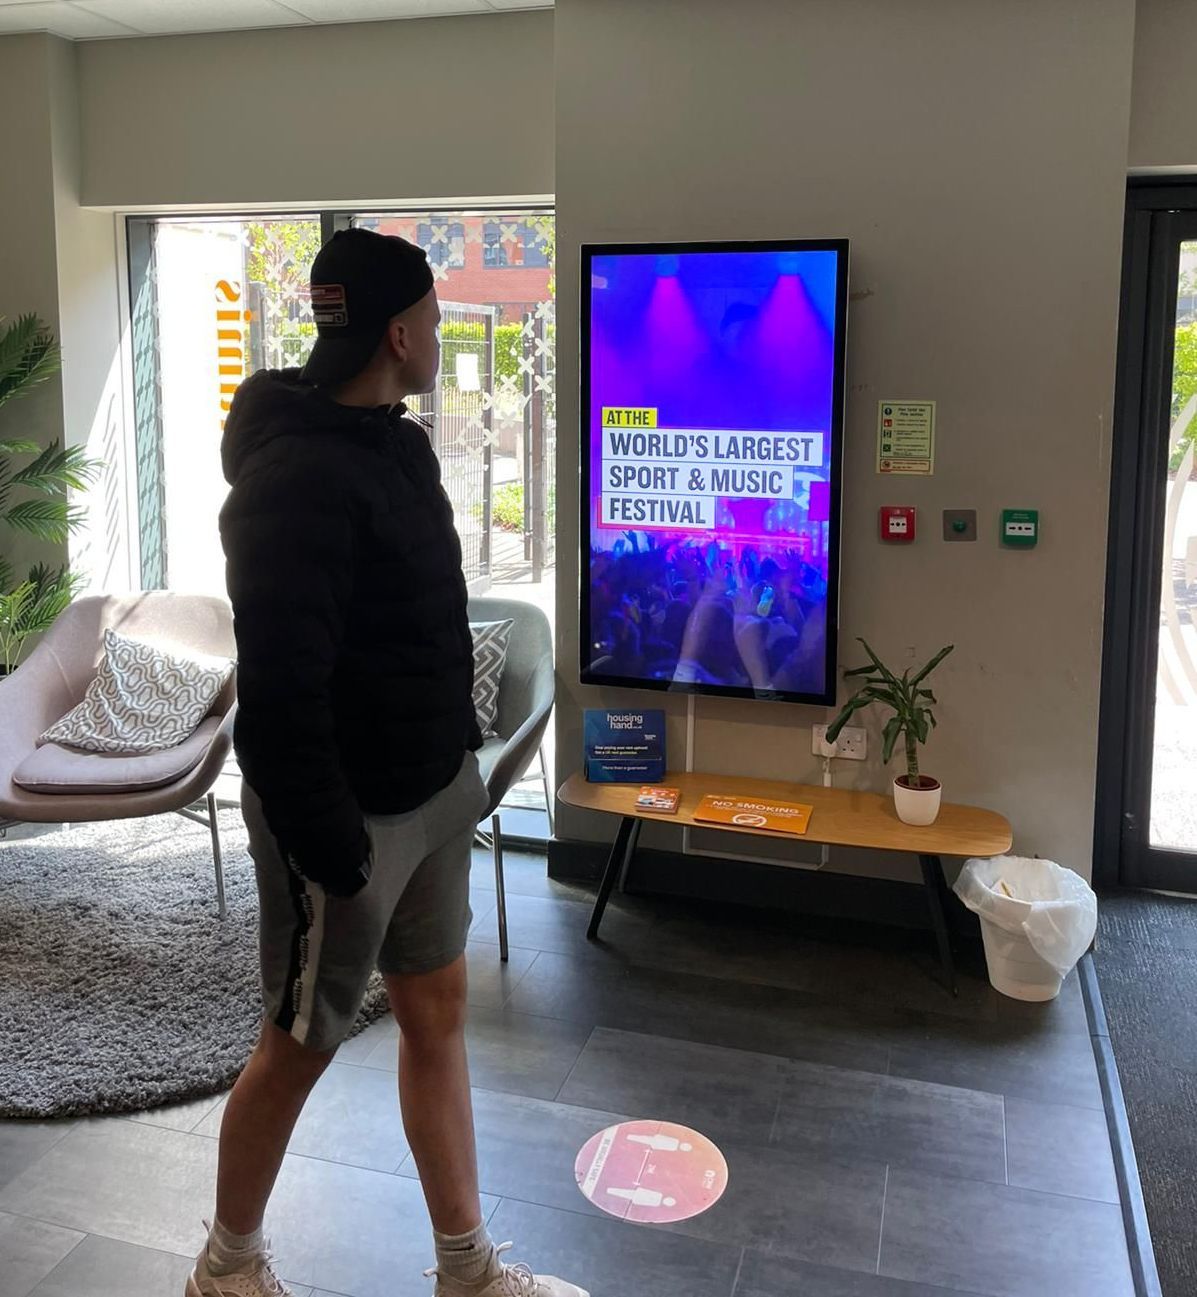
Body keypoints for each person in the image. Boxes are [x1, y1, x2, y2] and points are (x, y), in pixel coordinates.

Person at [187, 228, 587, 1297]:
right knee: (300, 1041)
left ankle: (469, 1270)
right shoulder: (294, 482)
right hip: (347, 822)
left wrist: (455, 765)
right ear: (401, 332)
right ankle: (227, 1265)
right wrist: (335, 852)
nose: (446, 332)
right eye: (438, 316)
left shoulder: (397, 447)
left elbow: (422, 620)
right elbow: (280, 692)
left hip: (431, 793)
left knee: (438, 1017)